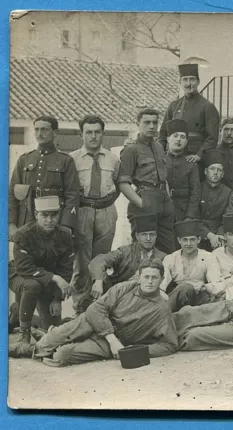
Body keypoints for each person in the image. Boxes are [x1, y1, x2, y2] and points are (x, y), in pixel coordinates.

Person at [19, 260, 179, 366]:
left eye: (154, 278)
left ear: (162, 279)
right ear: (139, 277)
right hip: (91, 324)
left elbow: (170, 345)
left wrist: (135, 351)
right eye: (146, 277)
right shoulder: (123, 288)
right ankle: (29, 346)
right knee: (48, 343)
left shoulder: (162, 310)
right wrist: (111, 338)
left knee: (61, 356)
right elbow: (95, 309)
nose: (150, 281)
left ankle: (45, 341)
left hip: (109, 345)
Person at [8, 196, 74, 356]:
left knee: (51, 329)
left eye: (54, 215)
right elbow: (24, 267)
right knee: (32, 285)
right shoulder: (23, 234)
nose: (49, 220)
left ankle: (19, 315)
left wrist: (57, 298)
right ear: (36, 214)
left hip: (46, 281)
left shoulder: (64, 235)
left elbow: (66, 269)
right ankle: (24, 333)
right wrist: (55, 278)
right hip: (19, 275)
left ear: (59, 215)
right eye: (44, 215)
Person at [68, 115, 120, 315]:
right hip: (83, 211)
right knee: (82, 262)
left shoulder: (113, 158)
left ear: (103, 134)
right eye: (88, 132)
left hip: (106, 211)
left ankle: (98, 308)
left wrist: (106, 204)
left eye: (97, 132)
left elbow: (117, 184)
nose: (93, 136)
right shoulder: (72, 159)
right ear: (81, 134)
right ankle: (80, 308)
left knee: (100, 260)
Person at [172, 241, 233, 335]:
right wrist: (204, 286)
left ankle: (164, 325)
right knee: (185, 288)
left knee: (188, 314)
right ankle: (162, 314)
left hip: (227, 308)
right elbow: (220, 286)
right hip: (214, 298)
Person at [80, 214, 167, 313]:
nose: (148, 238)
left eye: (151, 234)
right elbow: (99, 261)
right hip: (119, 293)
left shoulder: (163, 257)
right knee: (96, 274)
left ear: (156, 236)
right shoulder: (125, 251)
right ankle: (85, 313)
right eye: (144, 234)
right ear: (137, 236)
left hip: (146, 297)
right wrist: (98, 281)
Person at [9, 115, 79, 235]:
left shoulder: (65, 160)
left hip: (54, 220)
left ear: (55, 132)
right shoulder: (24, 159)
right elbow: (12, 194)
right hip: (27, 220)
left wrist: (66, 225)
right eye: (36, 129)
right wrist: (11, 224)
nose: (39, 133)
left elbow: (72, 195)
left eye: (44, 129)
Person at [118, 107, 175, 254]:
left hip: (163, 201)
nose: (151, 126)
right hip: (145, 200)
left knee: (168, 249)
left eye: (155, 123)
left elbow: (163, 176)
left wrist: (167, 197)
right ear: (138, 124)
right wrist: (142, 203)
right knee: (142, 250)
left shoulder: (159, 147)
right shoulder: (131, 150)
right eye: (147, 122)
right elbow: (123, 183)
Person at [158, 63, 220, 159]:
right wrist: (161, 153)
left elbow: (212, 138)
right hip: (173, 157)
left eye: (192, 79)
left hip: (195, 157)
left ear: (198, 82)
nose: (188, 83)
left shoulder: (208, 107)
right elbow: (163, 133)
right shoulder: (173, 105)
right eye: (185, 80)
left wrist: (199, 155)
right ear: (180, 82)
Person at [160, 219, 212, 312]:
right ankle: (161, 314)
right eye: (185, 240)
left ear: (198, 240)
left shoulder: (208, 257)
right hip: (177, 297)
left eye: (192, 240)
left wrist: (205, 287)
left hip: (199, 297)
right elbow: (163, 284)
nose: (188, 244)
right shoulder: (170, 258)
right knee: (184, 288)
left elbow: (215, 282)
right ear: (179, 240)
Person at [204, 215, 233, 301]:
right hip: (221, 296)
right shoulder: (216, 254)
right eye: (231, 234)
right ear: (225, 236)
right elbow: (214, 281)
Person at [165, 119, 201, 223]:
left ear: (186, 142)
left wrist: (189, 216)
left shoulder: (191, 163)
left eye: (182, 137)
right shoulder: (160, 160)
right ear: (168, 139)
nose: (179, 139)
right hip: (163, 210)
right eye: (175, 136)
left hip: (184, 211)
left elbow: (195, 191)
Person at [198, 150, 233, 251]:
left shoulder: (228, 193)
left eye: (219, 170)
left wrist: (219, 235)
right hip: (198, 234)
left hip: (219, 235)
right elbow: (192, 217)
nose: (216, 172)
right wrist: (208, 234)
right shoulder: (197, 189)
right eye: (212, 169)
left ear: (223, 174)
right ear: (205, 171)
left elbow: (228, 217)